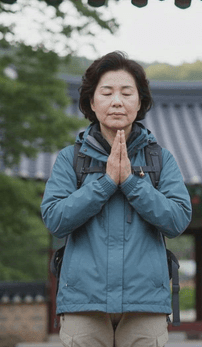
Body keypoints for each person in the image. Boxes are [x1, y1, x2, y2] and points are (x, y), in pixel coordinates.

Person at [40, 51, 192, 347]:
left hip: (145, 302)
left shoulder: (160, 159)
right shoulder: (70, 159)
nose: (117, 101)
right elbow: (55, 220)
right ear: (92, 102)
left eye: (127, 93)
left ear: (140, 102)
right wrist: (107, 183)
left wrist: (132, 183)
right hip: (84, 301)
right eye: (106, 92)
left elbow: (177, 220)